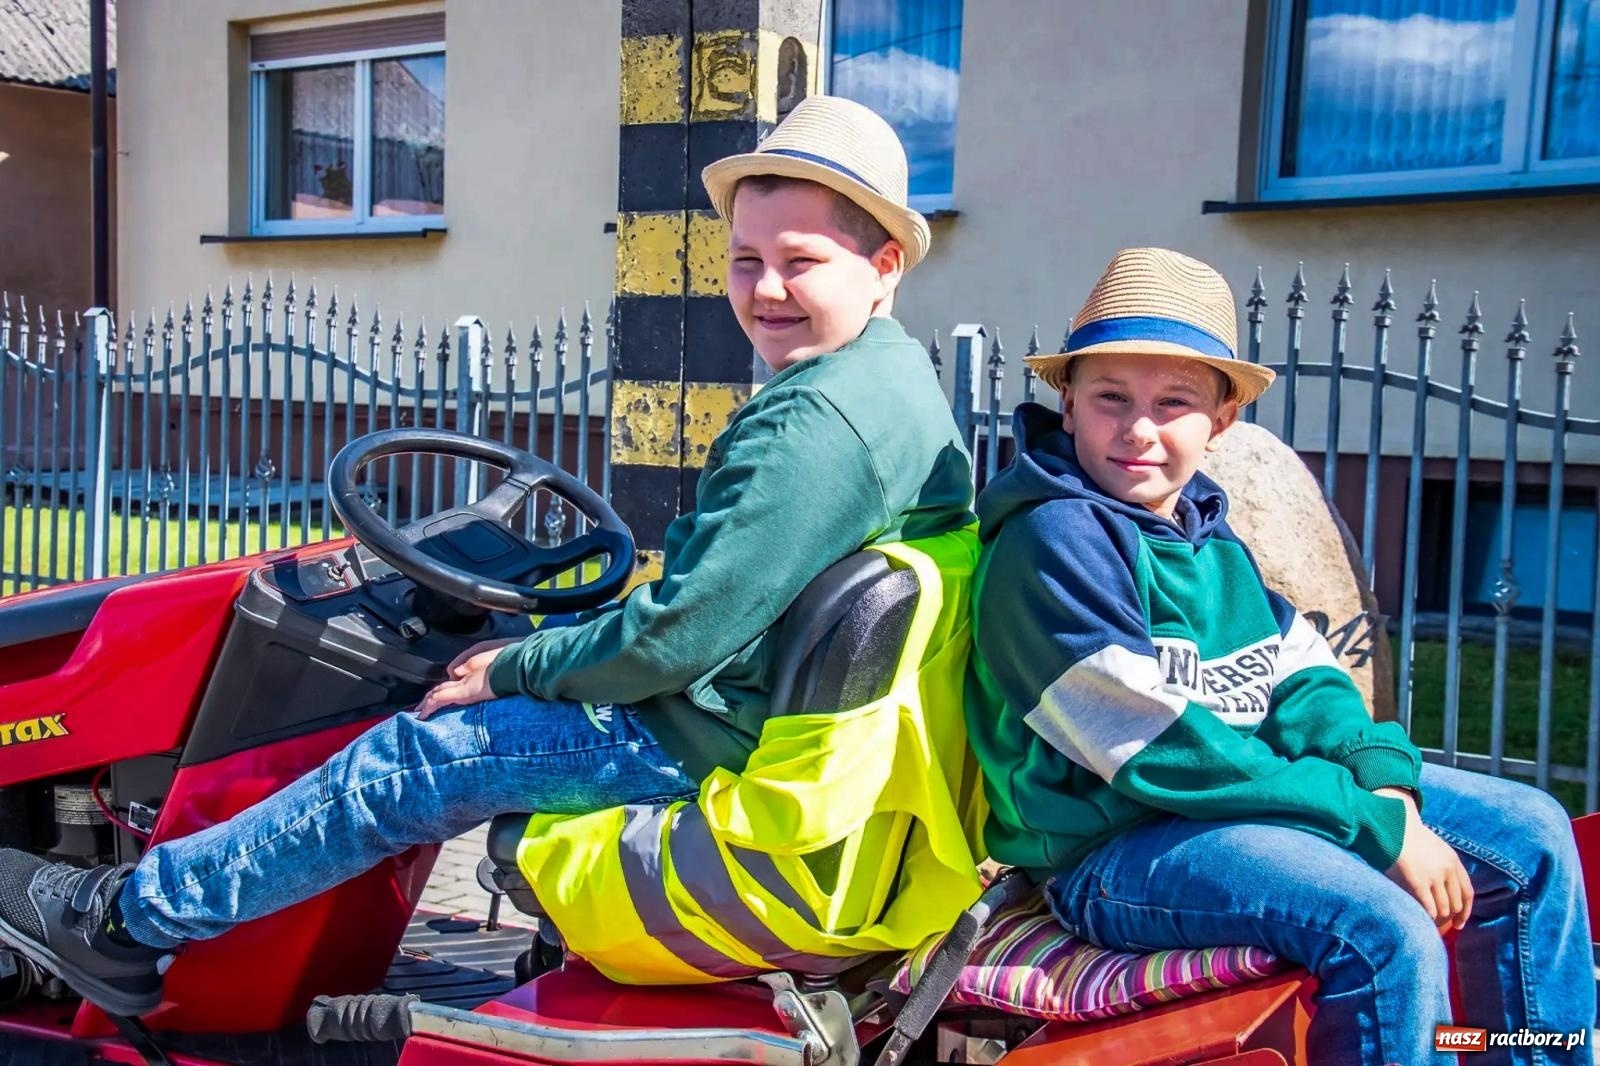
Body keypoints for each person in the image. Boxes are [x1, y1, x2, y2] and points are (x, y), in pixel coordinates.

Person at [0, 95, 976, 1018]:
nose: (764, 290)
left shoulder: (814, 424)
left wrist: (514, 662)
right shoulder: (890, 384)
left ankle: (126, 920)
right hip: (763, 711)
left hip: (701, 735)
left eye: (798, 261)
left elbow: (679, 635)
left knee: (414, 756)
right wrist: (550, 648)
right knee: (476, 702)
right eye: (744, 259)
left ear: (883, 262)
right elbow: (716, 598)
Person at [964, 247, 1593, 1065]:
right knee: (1381, 926)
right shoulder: (1052, 541)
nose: (1139, 429)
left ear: (1221, 421)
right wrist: (1369, 823)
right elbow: (1163, 755)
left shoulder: (1201, 527)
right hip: (1116, 849)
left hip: (1236, 808)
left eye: (1175, 403)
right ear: (1069, 400)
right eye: (1111, 397)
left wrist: (1385, 783)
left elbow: (1304, 674)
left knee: (1534, 835)